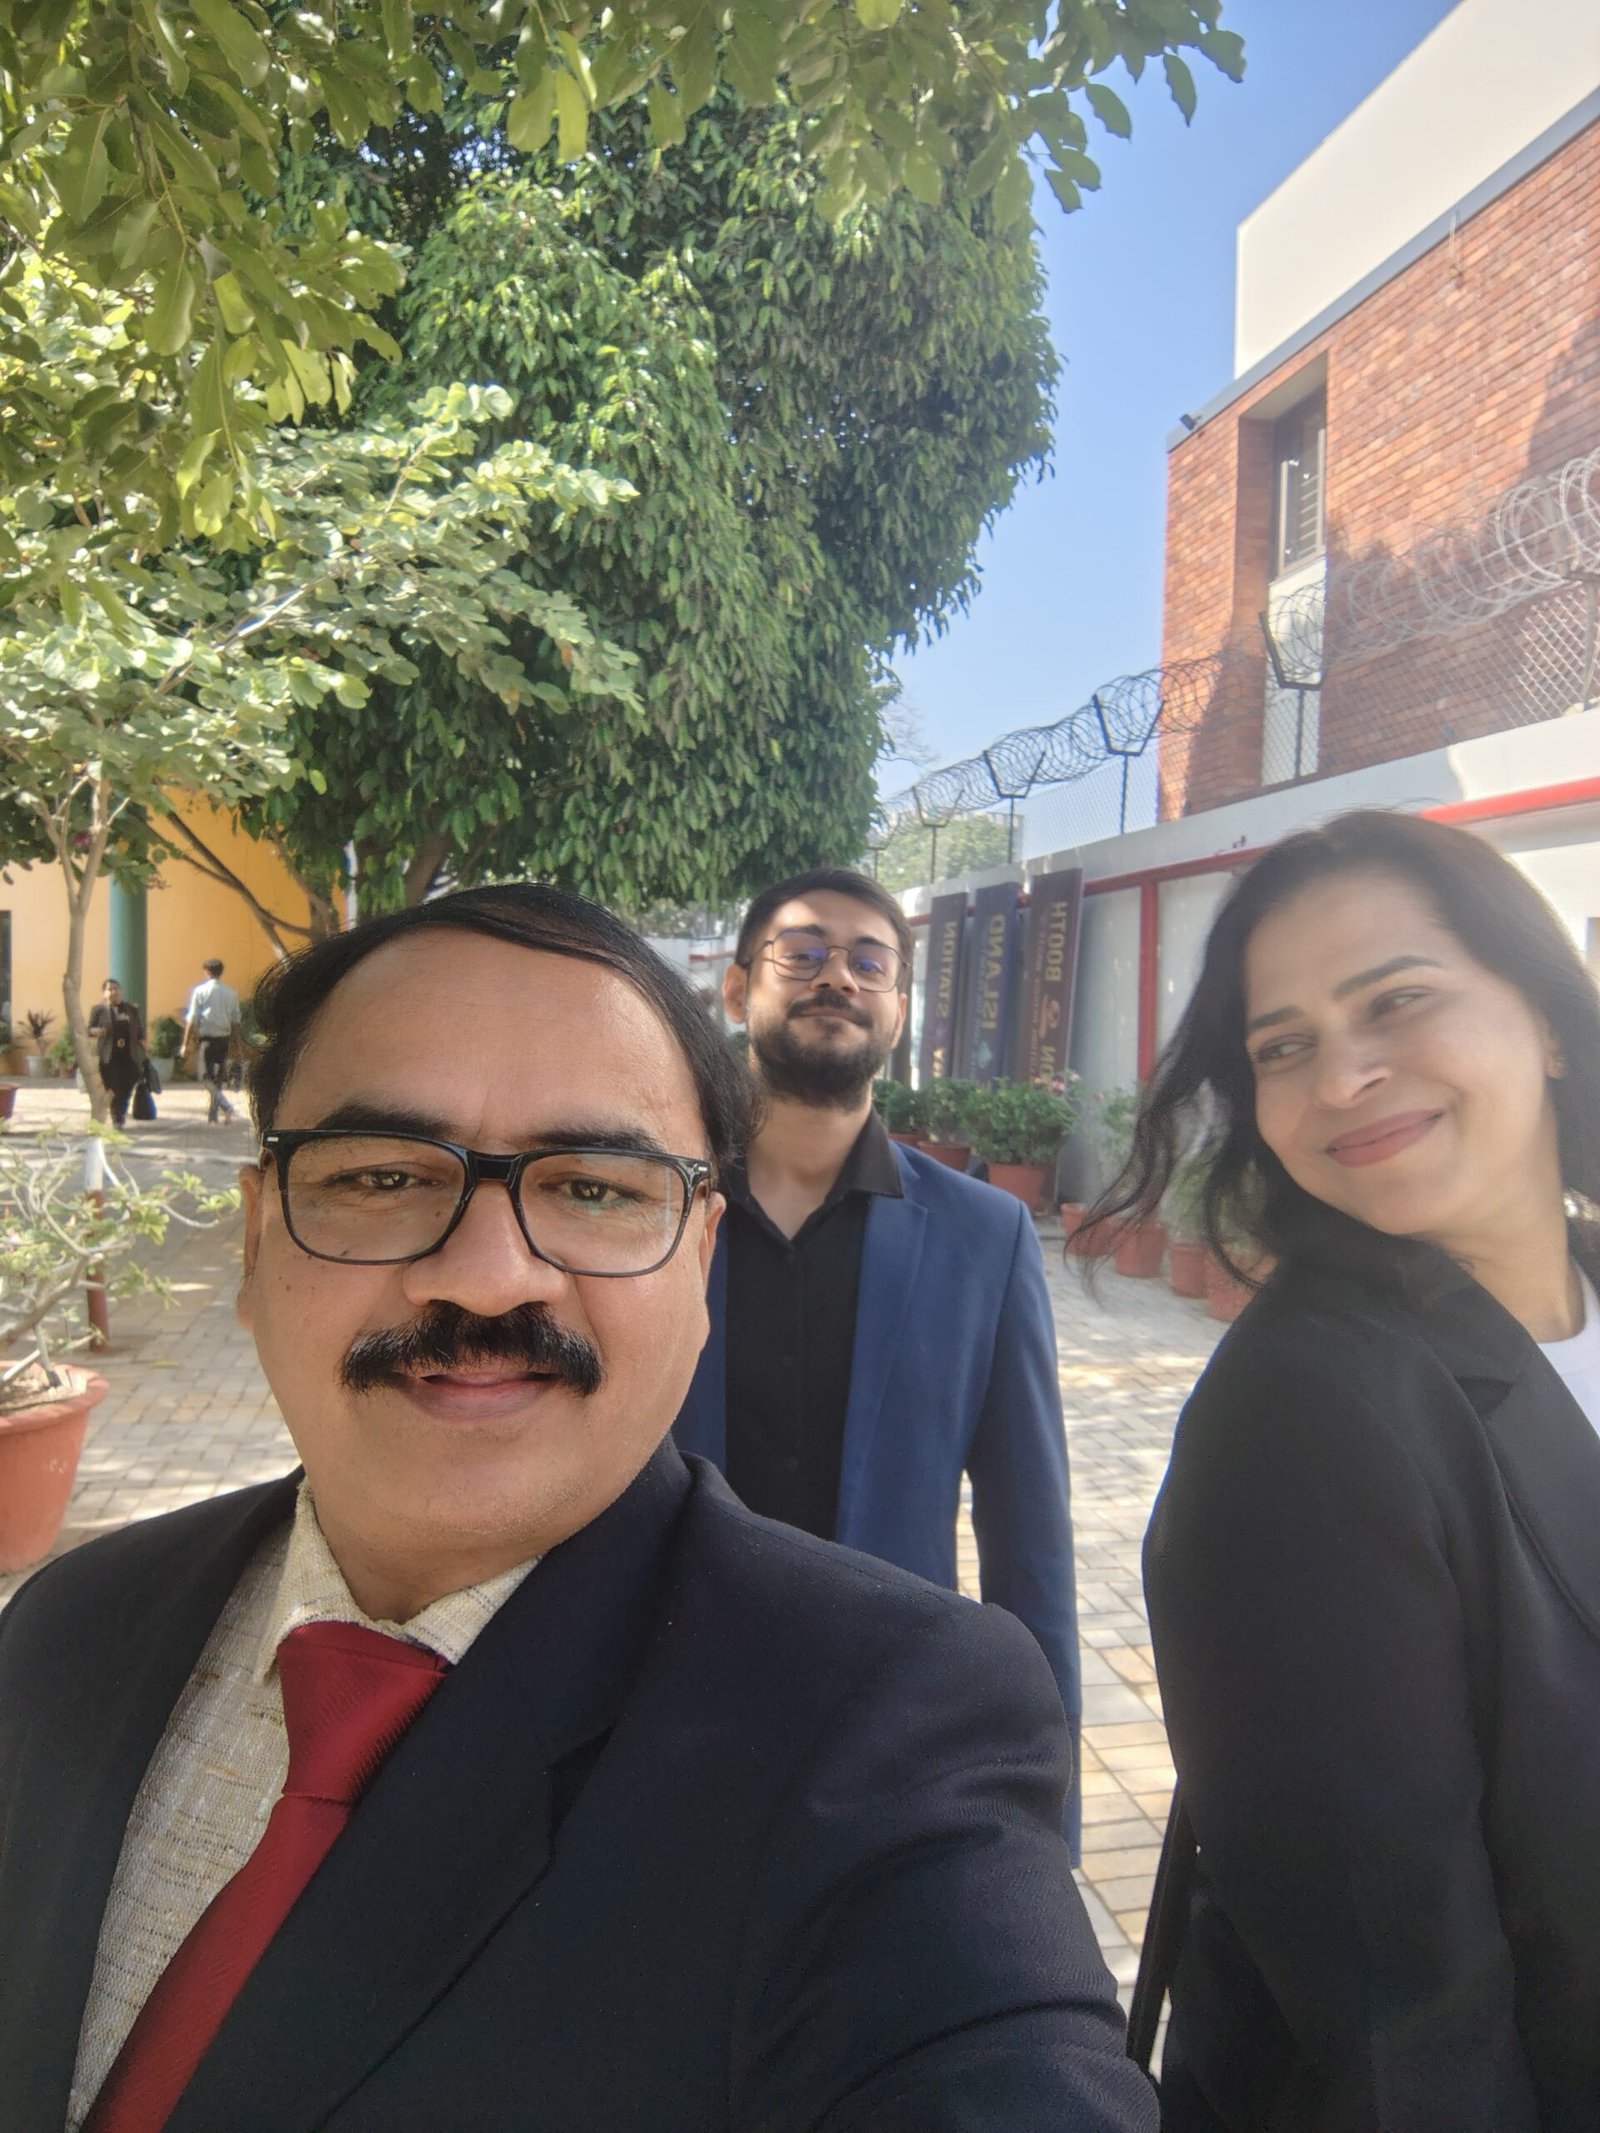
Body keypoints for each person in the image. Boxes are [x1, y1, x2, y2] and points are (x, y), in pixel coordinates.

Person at [0, 883, 1156, 2133]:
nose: (488, 1277)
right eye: (382, 1175)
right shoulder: (68, 1630)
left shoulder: (900, 1749)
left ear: (699, 1258)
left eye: (596, 1190)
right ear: (253, 1241)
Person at [1088, 811, 1600, 2132]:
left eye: (1397, 1001)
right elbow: (1403, 2026)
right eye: (1284, 1046)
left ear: (1546, 1022)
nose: (1343, 1077)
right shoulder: (1305, 1413)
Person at [675, 866, 1083, 1849]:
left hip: (886, 1733)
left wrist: (1046, 1809)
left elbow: (1028, 1535)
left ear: (898, 1006)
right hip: (666, 1713)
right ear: (737, 988)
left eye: (870, 962)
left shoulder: (985, 1238)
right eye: (803, 953)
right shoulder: (654, 1211)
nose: (838, 978)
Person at [182, 957, 242, 1124]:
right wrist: (237, 1044)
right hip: (224, 1039)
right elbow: (236, 1020)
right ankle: (213, 1115)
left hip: (207, 1040)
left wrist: (185, 1044)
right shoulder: (231, 993)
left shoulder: (200, 991)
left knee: (204, 1076)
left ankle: (226, 1106)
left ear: (207, 972)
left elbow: (192, 1018)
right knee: (218, 1077)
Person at [86, 978, 146, 1128]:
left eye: (116, 988)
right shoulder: (98, 1010)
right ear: (104, 993)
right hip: (109, 1056)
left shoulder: (131, 1009)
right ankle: (118, 1119)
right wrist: (98, 1031)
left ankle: (119, 1115)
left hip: (129, 1056)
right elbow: (89, 1030)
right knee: (113, 1088)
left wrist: (146, 1052)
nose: (114, 992)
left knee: (126, 1087)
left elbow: (140, 1033)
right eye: (110, 989)